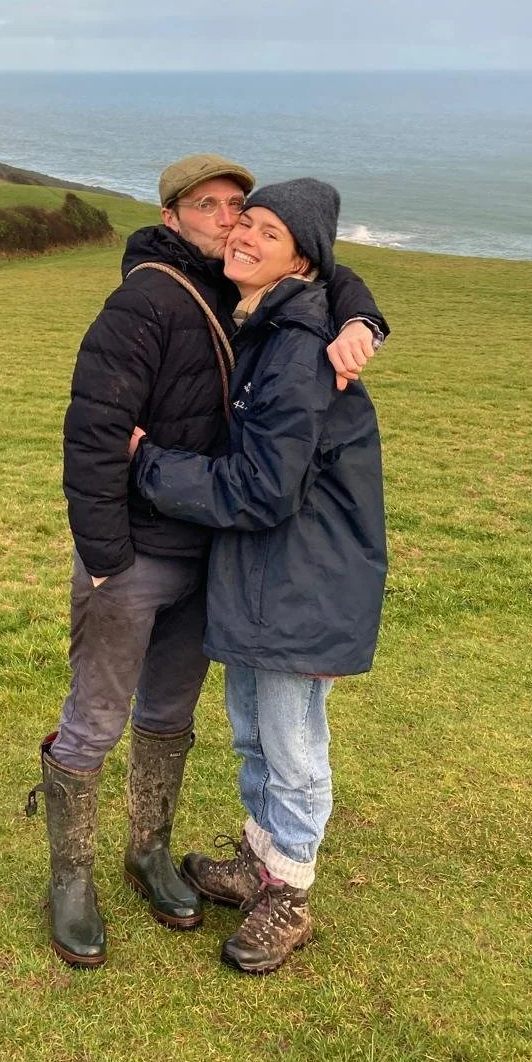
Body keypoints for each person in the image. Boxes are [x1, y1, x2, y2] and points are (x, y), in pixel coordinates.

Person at [30, 154, 387, 969]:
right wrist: (104, 559)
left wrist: (364, 319)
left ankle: (149, 852)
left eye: (243, 209)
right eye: (212, 207)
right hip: (135, 557)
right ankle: (71, 880)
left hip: (214, 555)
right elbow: (93, 432)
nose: (231, 224)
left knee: (171, 715)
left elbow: (327, 272)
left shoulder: (250, 298)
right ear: (171, 217)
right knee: (95, 720)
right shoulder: (144, 300)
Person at [132, 178, 388, 975]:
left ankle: (291, 895)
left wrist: (148, 463)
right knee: (253, 731)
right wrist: (361, 311)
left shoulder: (300, 349)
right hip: (263, 571)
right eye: (247, 219)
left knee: (292, 743)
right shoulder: (268, 320)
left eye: (268, 231)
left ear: (300, 261)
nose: (242, 234)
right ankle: (259, 860)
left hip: (303, 579)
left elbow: (261, 489)